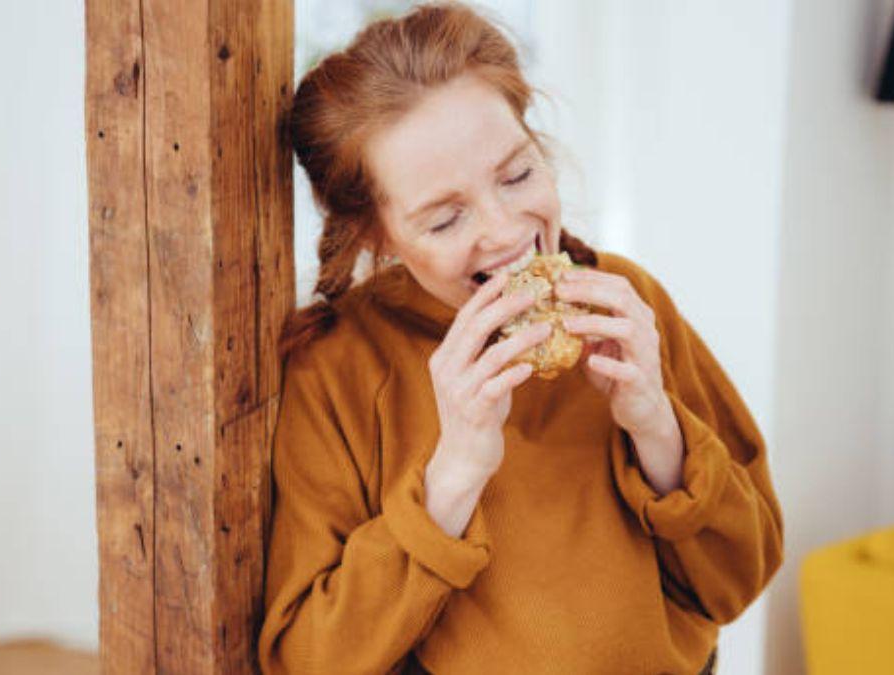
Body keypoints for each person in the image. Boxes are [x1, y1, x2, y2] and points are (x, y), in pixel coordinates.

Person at [258, 3, 783, 673]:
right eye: (445, 219)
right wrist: (453, 477)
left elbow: (740, 578)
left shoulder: (629, 301)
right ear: (375, 232)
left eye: (517, 175)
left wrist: (656, 427)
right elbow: (307, 659)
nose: (507, 232)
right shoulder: (338, 369)